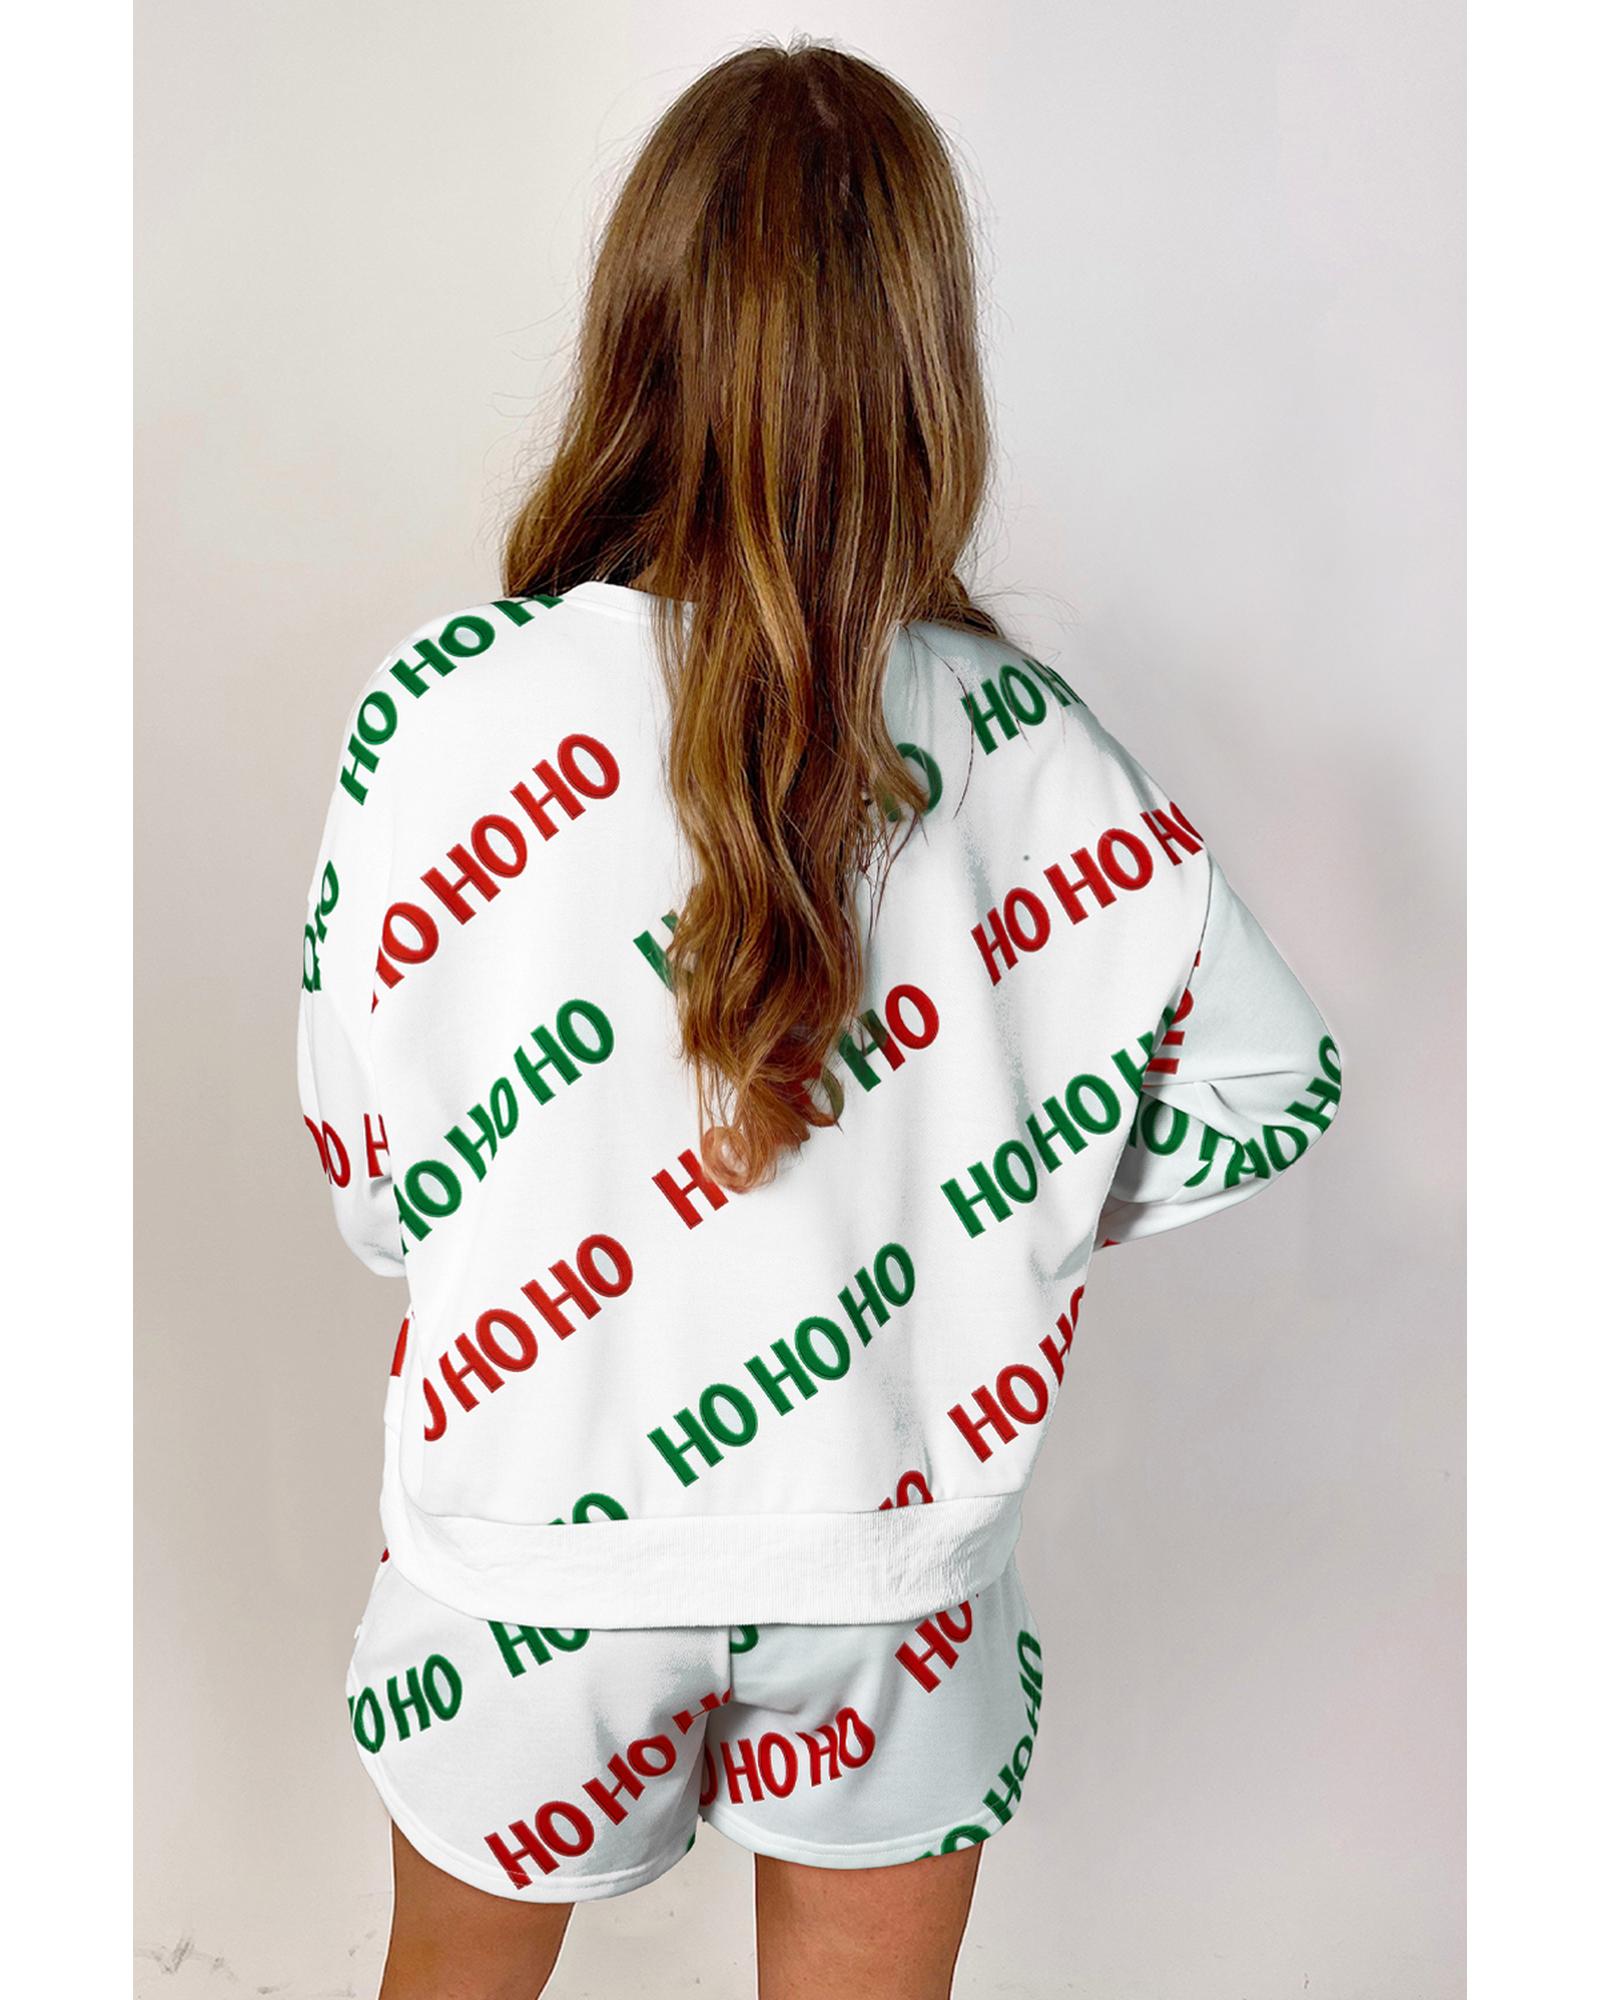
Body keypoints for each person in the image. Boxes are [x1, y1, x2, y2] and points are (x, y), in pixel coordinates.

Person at [295, 34, 1344, 2000]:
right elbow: (1267, 1084)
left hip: (522, 1568)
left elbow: (372, 1179)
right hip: (889, 1570)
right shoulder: (1024, 742)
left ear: (638, 331)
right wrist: (1001, 1193)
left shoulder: (445, 712)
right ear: (923, 367)